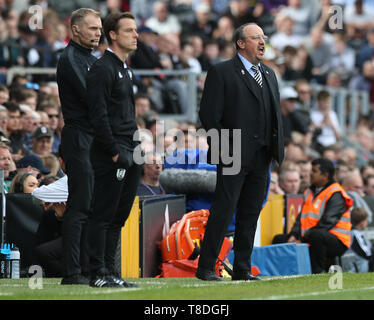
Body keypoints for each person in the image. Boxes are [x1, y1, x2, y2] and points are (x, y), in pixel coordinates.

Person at [196, 22, 284, 281]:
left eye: (263, 37)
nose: (262, 42)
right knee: (224, 210)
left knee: (250, 212)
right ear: (240, 43)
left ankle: (243, 268)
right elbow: (209, 115)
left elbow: (275, 115)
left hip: (261, 156)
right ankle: (206, 267)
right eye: (256, 37)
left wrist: (276, 149)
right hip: (232, 155)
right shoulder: (222, 72)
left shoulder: (269, 74)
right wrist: (226, 150)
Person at [86, 12, 141, 288]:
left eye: (136, 30)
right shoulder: (102, 68)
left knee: (119, 216)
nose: (136, 35)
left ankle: (111, 272)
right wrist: (113, 150)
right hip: (114, 151)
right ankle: (97, 272)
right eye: (129, 30)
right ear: (114, 35)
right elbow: (98, 116)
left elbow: (123, 114)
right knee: (104, 213)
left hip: (131, 149)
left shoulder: (124, 69)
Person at [56, 8, 102, 285]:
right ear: (75, 29)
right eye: (93, 28)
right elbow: (92, 97)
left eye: (99, 29)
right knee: (80, 205)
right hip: (79, 136)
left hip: (94, 138)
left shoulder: (91, 58)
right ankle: (72, 272)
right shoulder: (71, 58)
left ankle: (87, 268)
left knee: (93, 206)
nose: (98, 33)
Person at [273, 158, 353, 273]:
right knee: (278, 239)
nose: (310, 174)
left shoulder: (336, 193)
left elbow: (327, 222)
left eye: (314, 171)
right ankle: (280, 272)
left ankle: (317, 271)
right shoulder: (309, 191)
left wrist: (303, 239)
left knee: (317, 235)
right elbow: (301, 218)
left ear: (325, 175)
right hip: (311, 235)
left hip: (337, 241)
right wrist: (294, 235)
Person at [343, 207, 374, 273]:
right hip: (357, 269)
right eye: (366, 220)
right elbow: (367, 254)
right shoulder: (355, 234)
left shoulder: (351, 233)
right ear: (362, 222)